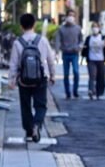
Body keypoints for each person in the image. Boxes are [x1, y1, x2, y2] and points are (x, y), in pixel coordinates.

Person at [9, 13, 56, 142]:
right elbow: (50, 60)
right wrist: (52, 75)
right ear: (34, 24)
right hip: (40, 79)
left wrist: (11, 80)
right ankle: (37, 124)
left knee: (25, 106)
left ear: (21, 26)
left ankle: (29, 131)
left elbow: (13, 64)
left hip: (23, 80)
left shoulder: (18, 43)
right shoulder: (42, 40)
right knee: (41, 105)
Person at [56, 12, 83, 99]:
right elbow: (58, 41)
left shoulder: (78, 28)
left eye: (72, 16)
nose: (70, 18)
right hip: (65, 53)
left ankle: (75, 91)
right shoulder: (61, 29)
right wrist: (57, 52)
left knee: (76, 72)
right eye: (69, 16)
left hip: (75, 53)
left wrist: (79, 47)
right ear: (66, 17)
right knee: (66, 74)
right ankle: (67, 92)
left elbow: (81, 40)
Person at [82, 23, 105, 100]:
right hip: (91, 60)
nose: (95, 29)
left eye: (96, 27)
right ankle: (91, 90)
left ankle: (99, 92)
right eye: (93, 27)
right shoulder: (89, 38)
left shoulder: (103, 38)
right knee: (92, 75)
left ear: (99, 28)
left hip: (101, 60)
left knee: (100, 77)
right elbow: (85, 48)